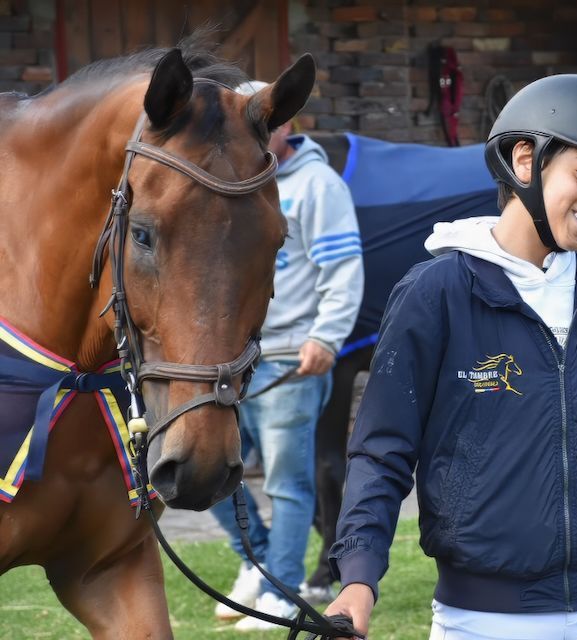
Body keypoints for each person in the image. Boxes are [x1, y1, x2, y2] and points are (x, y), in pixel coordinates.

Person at [325, 74, 577, 640]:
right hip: (483, 620)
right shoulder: (435, 294)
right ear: (525, 160)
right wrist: (358, 575)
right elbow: (382, 451)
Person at [209, 79, 364, 632]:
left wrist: (326, 337)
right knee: (208, 476)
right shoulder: (234, 181)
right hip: (234, 362)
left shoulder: (319, 186)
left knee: (285, 483)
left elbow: (343, 271)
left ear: (285, 125)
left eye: (257, 125)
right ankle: (260, 566)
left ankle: (282, 591)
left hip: (290, 361)